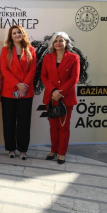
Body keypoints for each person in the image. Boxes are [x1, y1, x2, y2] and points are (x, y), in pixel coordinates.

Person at [41, 32, 79, 164]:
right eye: (56, 41)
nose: (58, 43)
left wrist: (59, 92)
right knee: (53, 127)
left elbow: (74, 78)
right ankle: (53, 150)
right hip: (51, 97)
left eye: (61, 40)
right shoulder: (47, 58)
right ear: (52, 43)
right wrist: (53, 91)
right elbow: (43, 77)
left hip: (65, 97)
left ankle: (62, 153)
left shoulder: (74, 58)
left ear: (66, 43)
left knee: (64, 127)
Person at [0, 25, 37, 160]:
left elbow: (32, 70)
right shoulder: (5, 50)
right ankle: (10, 149)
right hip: (9, 91)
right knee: (9, 121)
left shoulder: (31, 50)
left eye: (19, 32)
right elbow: (4, 69)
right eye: (14, 33)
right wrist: (17, 84)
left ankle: (23, 150)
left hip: (26, 92)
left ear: (23, 34)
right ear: (10, 36)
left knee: (24, 122)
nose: (17, 35)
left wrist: (23, 86)